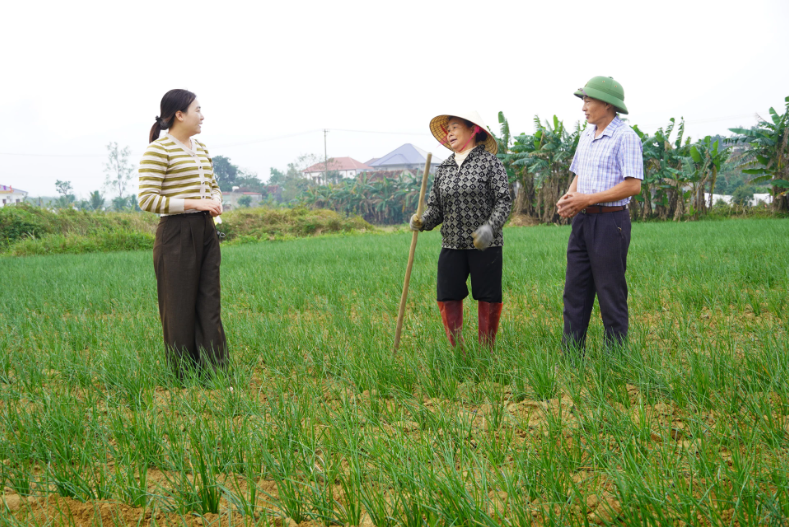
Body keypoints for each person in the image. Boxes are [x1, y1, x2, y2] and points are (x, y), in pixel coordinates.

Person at [137, 89, 227, 377]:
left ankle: (215, 370)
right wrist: (194, 203)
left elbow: (212, 185)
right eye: (197, 110)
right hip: (176, 233)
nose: (202, 116)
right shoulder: (158, 150)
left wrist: (215, 201)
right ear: (179, 114)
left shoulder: (200, 148)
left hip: (205, 230)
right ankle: (184, 374)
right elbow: (147, 199)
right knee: (178, 306)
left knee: (209, 300)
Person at [556, 76, 643, 353]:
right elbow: (581, 173)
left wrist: (587, 199)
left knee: (610, 291)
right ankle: (571, 355)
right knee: (575, 290)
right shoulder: (586, 134)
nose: (584, 106)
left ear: (607, 104)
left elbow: (633, 185)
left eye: (588, 100)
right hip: (583, 221)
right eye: (583, 100)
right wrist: (570, 198)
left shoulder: (625, 137)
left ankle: (615, 358)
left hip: (610, 222)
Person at [411, 111, 512, 348]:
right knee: (447, 295)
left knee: (487, 296)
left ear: (474, 130)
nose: (449, 133)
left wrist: (490, 229)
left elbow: (503, 201)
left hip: (485, 244)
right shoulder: (444, 168)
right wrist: (422, 221)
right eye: (448, 129)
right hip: (452, 244)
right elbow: (436, 208)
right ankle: (458, 351)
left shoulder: (490, 163)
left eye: (455, 127)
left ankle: (486, 351)